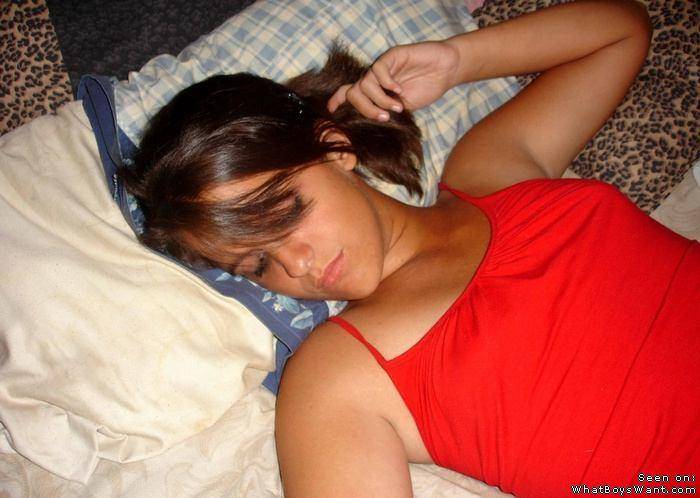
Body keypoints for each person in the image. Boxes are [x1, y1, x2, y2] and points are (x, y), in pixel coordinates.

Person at [121, 0, 699, 496]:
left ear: (334, 149)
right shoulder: (333, 379)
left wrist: (459, 60)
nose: (296, 265)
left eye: (286, 213)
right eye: (257, 263)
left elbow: (622, 31)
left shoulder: (491, 170)